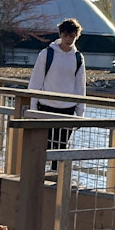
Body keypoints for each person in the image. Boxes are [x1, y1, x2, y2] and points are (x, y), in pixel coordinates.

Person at [27, 18, 87, 159]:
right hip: (46, 107)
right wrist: (33, 107)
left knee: (61, 148)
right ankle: (38, 178)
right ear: (60, 34)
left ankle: (56, 177)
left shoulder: (78, 58)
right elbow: (36, 80)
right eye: (65, 35)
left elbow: (80, 85)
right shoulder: (47, 54)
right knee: (42, 147)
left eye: (72, 36)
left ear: (76, 36)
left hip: (67, 109)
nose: (68, 39)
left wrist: (80, 112)